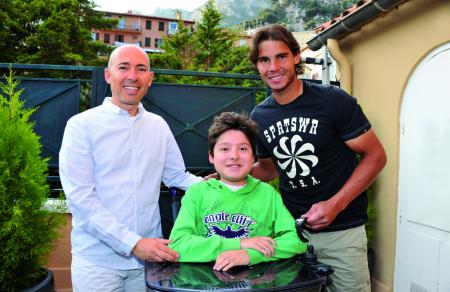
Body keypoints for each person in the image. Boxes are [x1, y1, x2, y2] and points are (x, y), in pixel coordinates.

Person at [248, 24, 387, 292]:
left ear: (296, 57)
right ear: (257, 66)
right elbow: (269, 168)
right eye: (264, 60)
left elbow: (376, 156)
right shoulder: (259, 116)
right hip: (291, 235)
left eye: (281, 57)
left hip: (342, 232)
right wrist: (227, 175)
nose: (273, 67)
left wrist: (336, 204)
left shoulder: (333, 101)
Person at [59, 44, 202, 291]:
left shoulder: (158, 125)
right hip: (98, 263)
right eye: (123, 67)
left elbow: (177, 176)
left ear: (150, 78)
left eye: (141, 69)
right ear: (108, 75)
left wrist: (221, 186)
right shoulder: (81, 126)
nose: (132, 76)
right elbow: (81, 199)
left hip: (149, 260)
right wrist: (134, 243)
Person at [168, 112, 307, 271]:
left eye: (242, 148)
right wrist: (240, 243)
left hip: (257, 284)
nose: (234, 156)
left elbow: (296, 241)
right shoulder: (197, 193)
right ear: (211, 157)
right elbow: (178, 246)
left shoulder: (268, 195)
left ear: (254, 157)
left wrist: (250, 255)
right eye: (225, 149)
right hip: (205, 283)